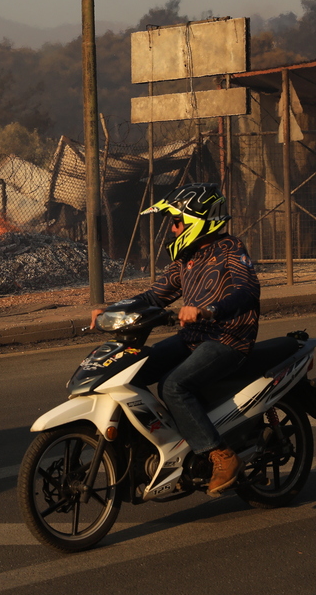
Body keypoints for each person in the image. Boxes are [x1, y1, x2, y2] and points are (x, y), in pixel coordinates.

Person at [90, 183, 260, 495]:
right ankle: (159, 445)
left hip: (227, 339)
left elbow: (247, 291)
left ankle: (221, 455)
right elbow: (155, 295)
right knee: (134, 371)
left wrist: (208, 310)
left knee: (174, 386)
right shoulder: (186, 258)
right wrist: (112, 310)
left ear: (199, 219)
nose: (173, 227)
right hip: (193, 338)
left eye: (177, 221)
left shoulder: (231, 249)